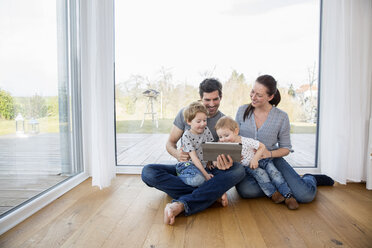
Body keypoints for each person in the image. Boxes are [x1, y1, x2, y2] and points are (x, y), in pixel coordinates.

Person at [141, 78, 245, 225]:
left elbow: (222, 152)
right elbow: (170, 143)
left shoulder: (223, 120)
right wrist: (177, 154)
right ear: (200, 97)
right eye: (207, 100)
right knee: (148, 172)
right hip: (186, 169)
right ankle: (211, 193)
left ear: (221, 97)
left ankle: (184, 203)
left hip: (209, 169)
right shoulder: (186, 114)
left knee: (239, 170)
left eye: (216, 99)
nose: (211, 104)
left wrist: (222, 161)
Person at [234, 74, 334, 202]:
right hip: (248, 162)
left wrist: (268, 153)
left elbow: (286, 148)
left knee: (305, 196)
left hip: (272, 159)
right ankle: (281, 185)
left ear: (270, 97)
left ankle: (309, 178)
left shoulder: (281, 117)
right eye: (253, 92)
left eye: (259, 95)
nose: (253, 97)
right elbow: (235, 138)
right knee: (247, 191)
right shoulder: (242, 110)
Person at [215, 116, 299, 210]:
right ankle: (273, 194)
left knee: (274, 173)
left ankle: (288, 195)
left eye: (226, 135)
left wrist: (255, 159)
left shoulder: (245, 141)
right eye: (220, 136)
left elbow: (261, 146)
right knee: (261, 175)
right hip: (249, 166)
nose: (223, 139)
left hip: (262, 160)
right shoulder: (224, 146)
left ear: (235, 132)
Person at [176, 101, 214, 187]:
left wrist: (209, 162)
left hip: (201, 166)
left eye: (205, 120)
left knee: (208, 179)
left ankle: (197, 185)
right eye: (198, 121)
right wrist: (205, 174)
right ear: (189, 121)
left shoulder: (206, 130)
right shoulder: (187, 135)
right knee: (199, 180)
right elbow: (194, 158)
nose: (203, 124)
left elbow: (209, 147)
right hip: (189, 166)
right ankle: (181, 174)